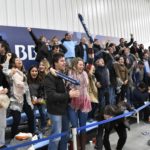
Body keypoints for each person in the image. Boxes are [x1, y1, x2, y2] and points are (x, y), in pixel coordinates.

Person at [44, 52, 80, 150]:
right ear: (55, 63)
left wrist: (70, 92)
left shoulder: (61, 74)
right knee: (56, 138)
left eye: (64, 60)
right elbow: (51, 96)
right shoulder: (49, 77)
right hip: (55, 111)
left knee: (65, 135)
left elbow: (62, 91)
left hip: (63, 109)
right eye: (62, 61)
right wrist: (68, 94)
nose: (64, 62)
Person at [2, 54, 35, 138]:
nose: (19, 61)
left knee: (31, 116)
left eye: (20, 59)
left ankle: (32, 133)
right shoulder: (11, 71)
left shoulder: (24, 73)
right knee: (17, 119)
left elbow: (26, 87)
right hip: (15, 100)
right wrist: (8, 59)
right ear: (13, 63)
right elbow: (4, 70)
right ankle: (14, 136)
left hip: (25, 98)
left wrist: (30, 99)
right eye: (17, 60)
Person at [67, 57, 91, 150]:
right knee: (74, 126)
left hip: (84, 101)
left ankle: (83, 147)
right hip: (73, 102)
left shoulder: (85, 73)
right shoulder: (70, 73)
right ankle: (76, 147)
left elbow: (86, 85)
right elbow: (70, 85)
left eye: (83, 65)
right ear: (75, 65)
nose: (82, 66)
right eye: (80, 64)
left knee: (83, 126)